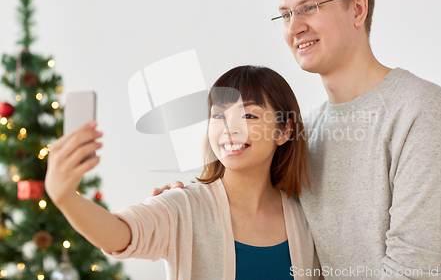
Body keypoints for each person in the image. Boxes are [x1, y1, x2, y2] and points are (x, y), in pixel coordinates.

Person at [159, 0, 441, 279]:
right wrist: (187, 204)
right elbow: (254, 203)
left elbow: (413, 268)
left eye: (308, 8)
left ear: (357, 9)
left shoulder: (422, 110)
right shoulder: (305, 133)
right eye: (285, 14)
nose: (294, 27)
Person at [45, 65, 321, 280]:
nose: (230, 128)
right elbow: (120, 234)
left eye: (249, 115)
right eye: (218, 115)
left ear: (284, 131)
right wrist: (66, 198)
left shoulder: (305, 216)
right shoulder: (183, 206)